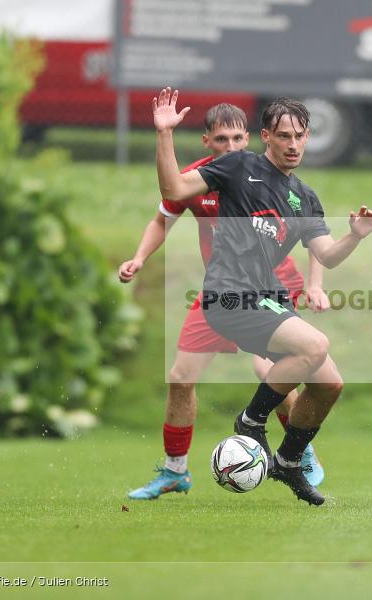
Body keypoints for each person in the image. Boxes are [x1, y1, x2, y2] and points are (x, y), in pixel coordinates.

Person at [152, 88, 372, 506]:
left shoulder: (305, 197)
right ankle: (251, 420)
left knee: (329, 384)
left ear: (308, 138)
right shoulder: (237, 166)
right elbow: (173, 186)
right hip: (227, 294)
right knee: (314, 345)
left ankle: (289, 462)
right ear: (266, 137)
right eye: (284, 136)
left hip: (264, 296)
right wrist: (165, 133)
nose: (293, 145)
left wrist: (355, 235)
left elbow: (326, 256)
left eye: (300, 136)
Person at [120, 103, 330, 500]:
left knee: (270, 367)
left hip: (273, 286)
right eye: (221, 140)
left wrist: (316, 284)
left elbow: (313, 233)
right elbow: (162, 216)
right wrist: (139, 258)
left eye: (237, 139)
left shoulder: (264, 177)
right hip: (221, 290)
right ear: (207, 142)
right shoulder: (205, 178)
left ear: (250, 139)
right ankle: (175, 471)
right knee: (181, 377)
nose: (231, 146)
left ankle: (298, 453)